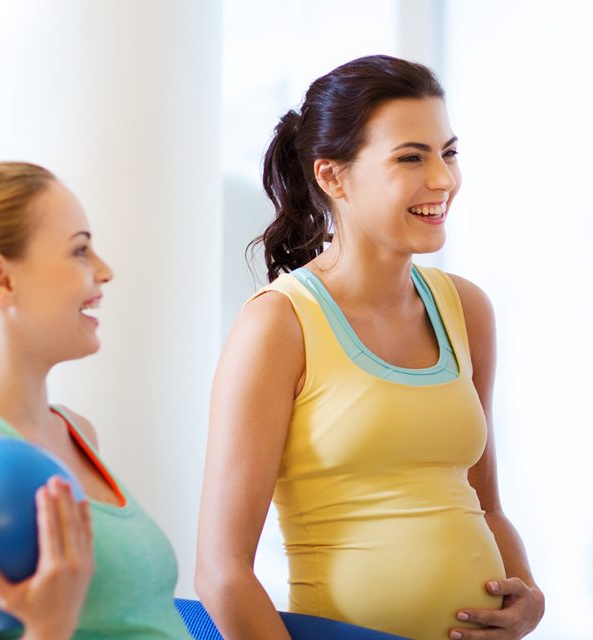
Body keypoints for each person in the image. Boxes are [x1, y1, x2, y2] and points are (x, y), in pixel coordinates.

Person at [193, 55, 543, 640]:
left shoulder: (466, 308)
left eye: (448, 152)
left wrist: (525, 598)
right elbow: (222, 573)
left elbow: (486, 505)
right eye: (411, 157)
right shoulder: (280, 324)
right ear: (332, 177)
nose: (443, 179)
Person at [0, 162, 193, 640]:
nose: (105, 271)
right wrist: (48, 626)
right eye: (80, 250)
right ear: (0, 279)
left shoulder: (75, 431)